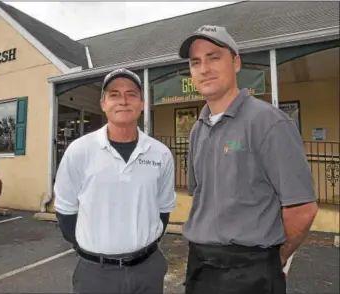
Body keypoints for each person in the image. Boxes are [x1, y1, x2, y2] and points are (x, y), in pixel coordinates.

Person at [177, 25, 319, 294]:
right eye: (196, 62)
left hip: (251, 272)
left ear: (237, 62)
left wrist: (275, 260)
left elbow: (302, 209)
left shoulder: (269, 123)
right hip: (200, 267)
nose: (204, 68)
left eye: (214, 57)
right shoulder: (198, 129)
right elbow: (201, 197)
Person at [53, 68, 176, 294]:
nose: (123, 101)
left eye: (131, 94)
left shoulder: (160, 154)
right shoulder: (79, 151)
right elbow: (66, 212)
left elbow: (163, 210)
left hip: (147, 271)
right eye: (114, 94)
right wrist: (93, 252)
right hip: (96, 275)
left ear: (141, 103)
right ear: (103, 103)